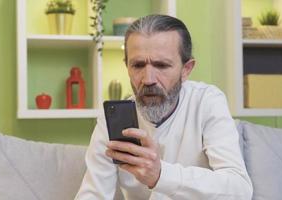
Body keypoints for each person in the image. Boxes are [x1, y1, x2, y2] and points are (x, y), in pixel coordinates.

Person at [75, 14, 253, 200]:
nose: (148, 79)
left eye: (161, 65)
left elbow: (240, 190)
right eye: (138, 65)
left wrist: (161, 175)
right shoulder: (112, 120)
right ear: (127, 66)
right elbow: (93, 194)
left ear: (186, 70)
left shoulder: (207, 102)